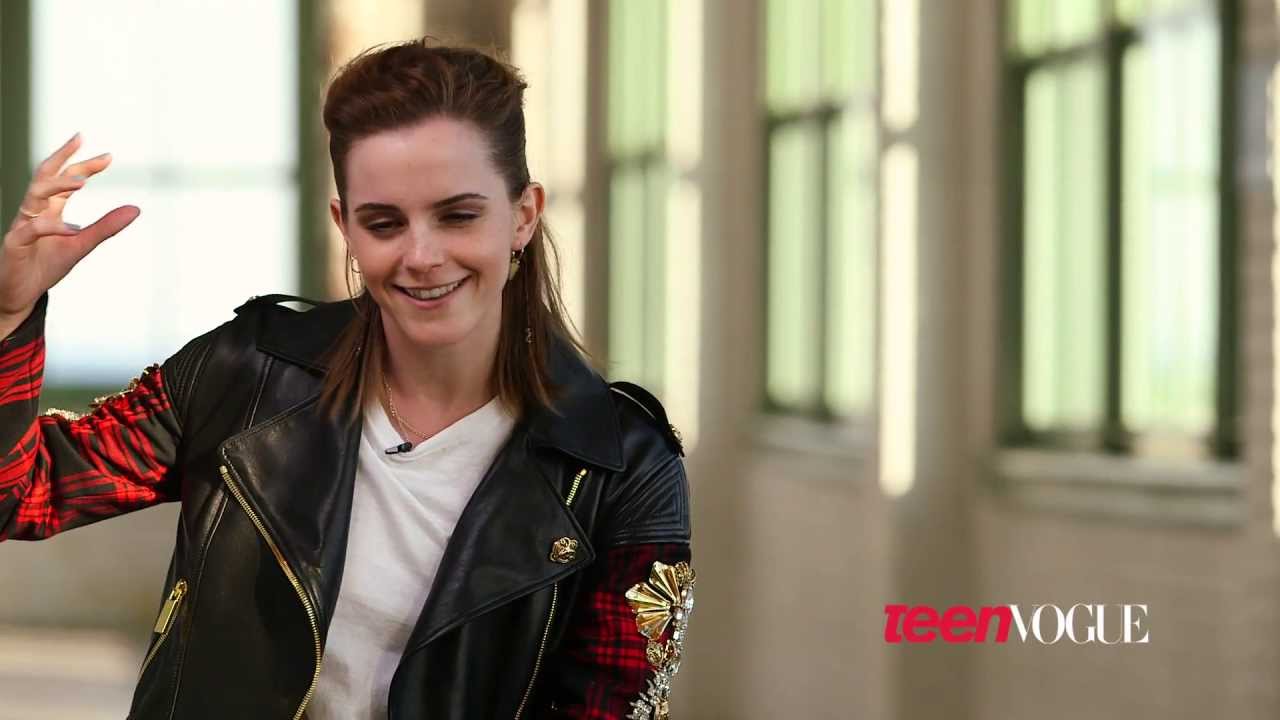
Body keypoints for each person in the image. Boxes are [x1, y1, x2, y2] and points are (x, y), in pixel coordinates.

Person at [0, 38, 695, 720]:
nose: (421, 255)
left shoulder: (621, 463)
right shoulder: (244, 374)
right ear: (346, 227)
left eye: (457, 215)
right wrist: (9, 314)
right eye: (384, 223)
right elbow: (22, 494)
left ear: (523, 214)